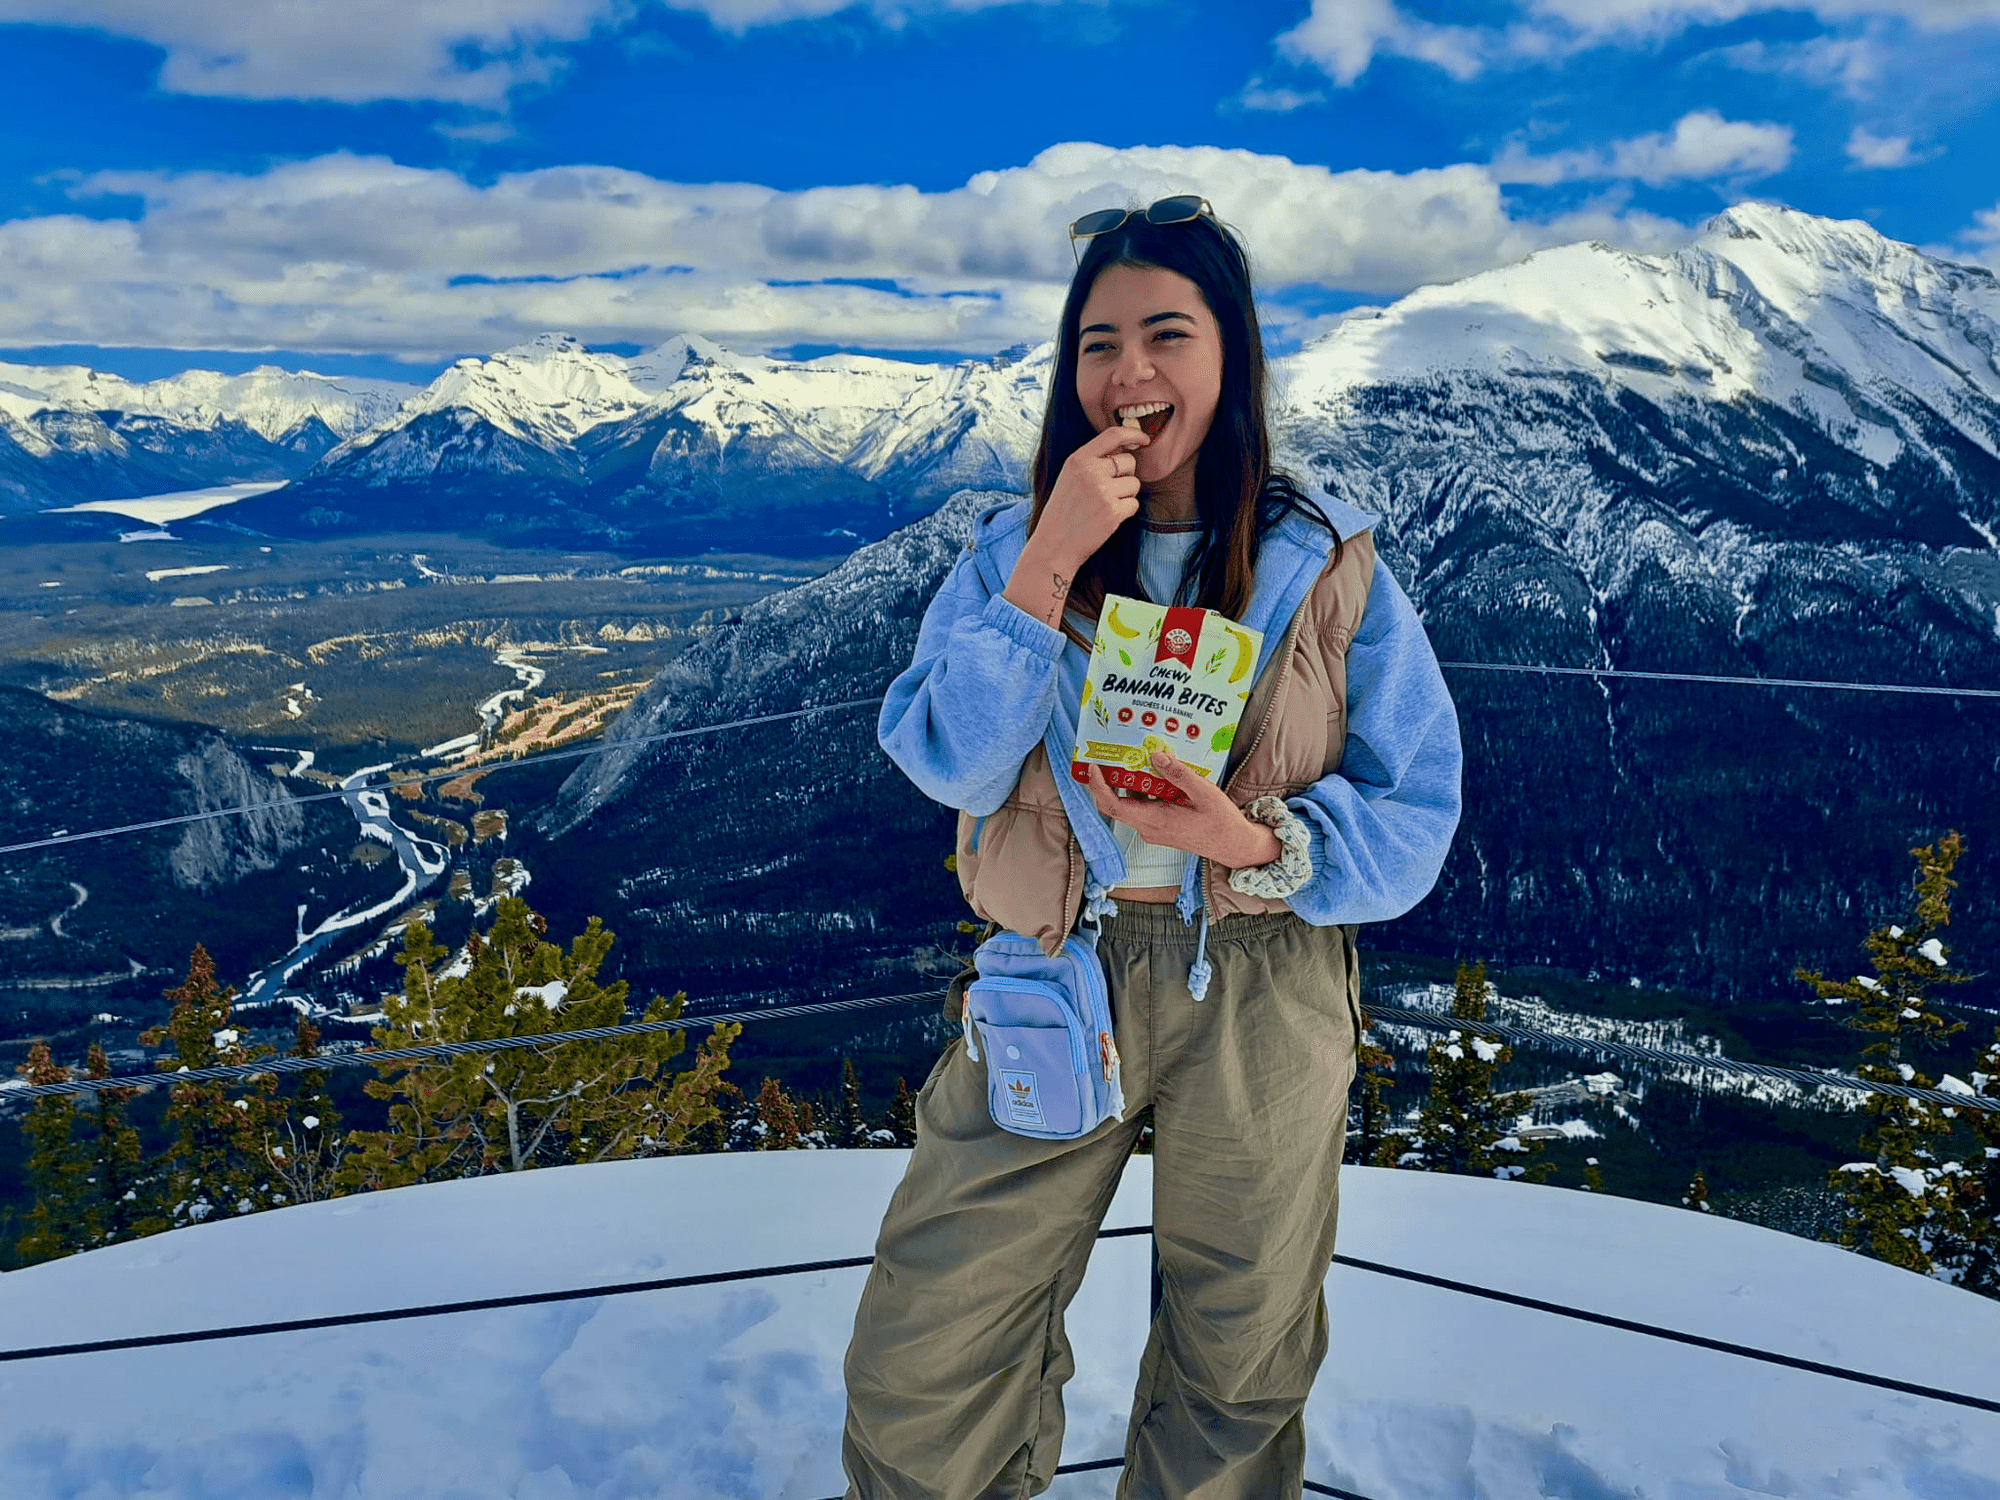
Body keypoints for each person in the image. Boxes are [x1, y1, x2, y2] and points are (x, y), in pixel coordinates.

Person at [842, 196, 1462, 1500]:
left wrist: (1252, 839)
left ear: (1231, 354)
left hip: (1265, 976)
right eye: (1098, 343)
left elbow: (1415, 811)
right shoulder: (1009, 552)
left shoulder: (1326, 561)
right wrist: (1051, 559)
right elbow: (948, 758)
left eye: (1166, 335)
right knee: (933, 1330)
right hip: (1057, 963)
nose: (1128, 372)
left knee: (1240, 1349)